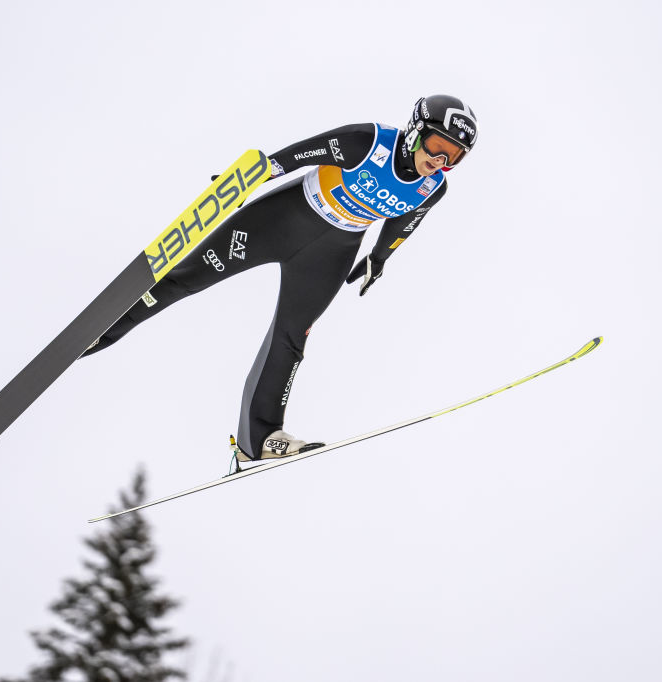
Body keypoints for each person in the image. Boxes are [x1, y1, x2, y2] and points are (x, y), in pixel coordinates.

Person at [81, 95, 478, 462]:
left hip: (332, 253)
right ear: (415, 130)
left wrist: (378, 258)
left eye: (454, 157)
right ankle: (101, 329)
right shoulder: (368, 142)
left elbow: (403, 223)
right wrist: (250, 177)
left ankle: (261, 439)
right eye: (438, 147)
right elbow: (300, 154)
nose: (441, 161)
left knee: (292, 337)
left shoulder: (432, 187)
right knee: (188, 278)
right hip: (284, 219)